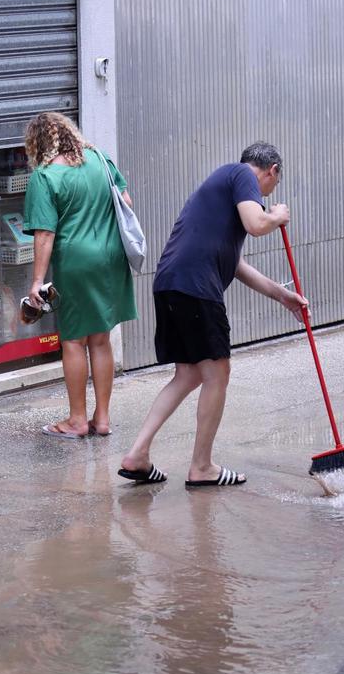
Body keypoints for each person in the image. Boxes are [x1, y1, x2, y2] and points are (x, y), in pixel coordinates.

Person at [119, 142, 307, 487]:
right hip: (195, 286)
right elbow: (256, 223)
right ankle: (202, 467)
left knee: (189, 375)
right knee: (218, 372)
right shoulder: (241, 175)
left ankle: (137, 455)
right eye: (271, 187)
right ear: (272, 171)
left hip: (171, 283)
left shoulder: (222, 193)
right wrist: (275, 216)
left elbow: (235, 265)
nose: (266, 194)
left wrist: (283, 296)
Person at [22, 112, 137, 438]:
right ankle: (102, 420)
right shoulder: (101, 160)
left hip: (76, 261)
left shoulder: (45, 177)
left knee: (73, 340)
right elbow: (125, 201)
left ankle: (76, 420)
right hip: (111, 257)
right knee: (100, 338)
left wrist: (36, 282)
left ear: (38, 144)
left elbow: (44, 234)